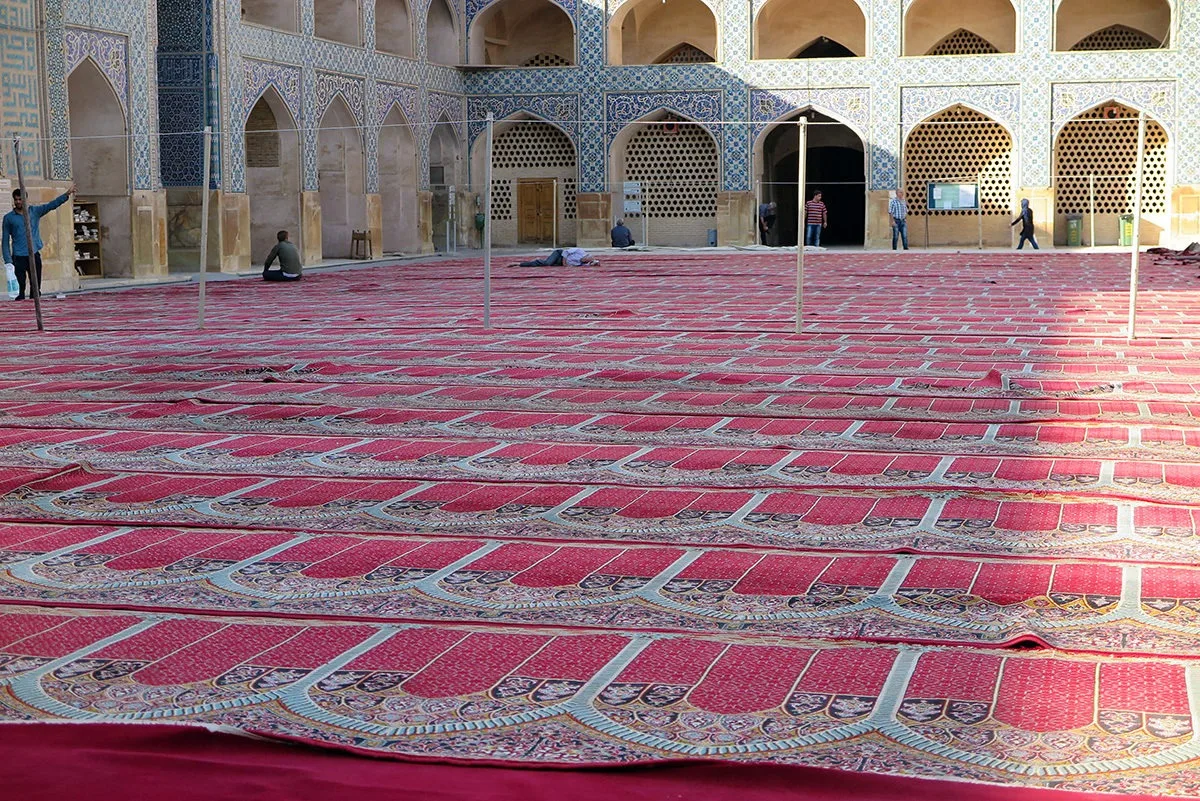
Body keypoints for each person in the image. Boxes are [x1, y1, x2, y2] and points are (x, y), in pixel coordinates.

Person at [2, 183, 76, 300]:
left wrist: (66, 194)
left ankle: (34, 313)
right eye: (16, 200)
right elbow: (5, 241)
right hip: (18, 256)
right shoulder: (9, 218)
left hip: (34, 254)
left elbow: (51, 205)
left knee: (35, 288)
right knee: (19, 290)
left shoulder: (34, 212)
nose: (18, 202)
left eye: (20, 199)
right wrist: (8, 261)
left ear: (25, 199)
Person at [514, 247, 598, 267]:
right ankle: (519, 264)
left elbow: (594, 264)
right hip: (559, 254)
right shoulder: (580, 251)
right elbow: (565, 252)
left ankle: (522, 264)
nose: (584, 261)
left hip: (560, 262)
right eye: (585, 259)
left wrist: (594, 263)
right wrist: (565, 264)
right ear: (586, 256)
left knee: (545, 264)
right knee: (547, 263)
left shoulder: (582, 263)